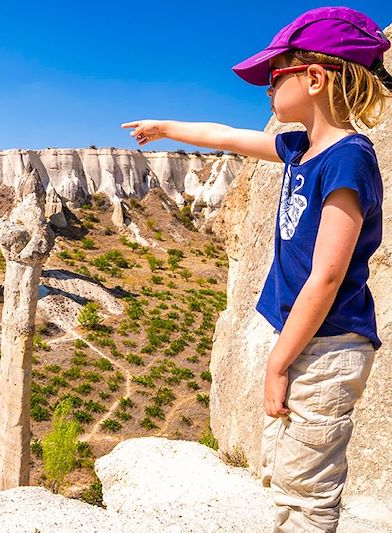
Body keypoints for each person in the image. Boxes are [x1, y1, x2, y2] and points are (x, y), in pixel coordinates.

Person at [121, 7, 391, 532]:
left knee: (308, 492)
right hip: (304, 340)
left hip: (329, 347)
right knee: (287, 476)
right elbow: (226, 136)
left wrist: (276, 363)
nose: (266, 91)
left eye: (274, 77)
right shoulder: (300, 149)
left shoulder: (348, 158)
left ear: (314, 77)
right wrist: (167, 127)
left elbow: (327, 275)